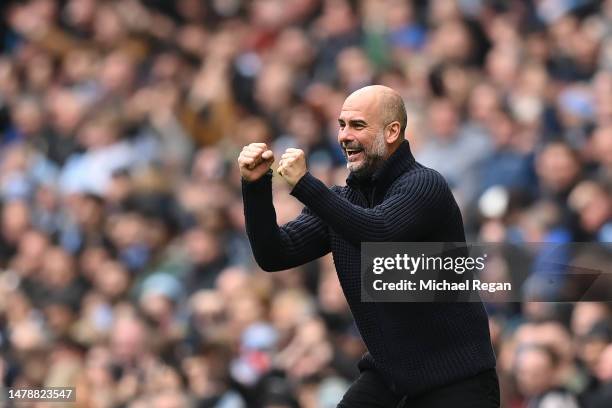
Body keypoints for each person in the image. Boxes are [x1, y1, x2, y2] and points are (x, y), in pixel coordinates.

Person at [238, 85, 499, 407]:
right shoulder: (340, 201)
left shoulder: (424, 185)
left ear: (392, 132)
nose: (344, 136)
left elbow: (379, 232)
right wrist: (256, 187)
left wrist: (306, 186)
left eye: (358, 125)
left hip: (456, 380)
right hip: (390, 376)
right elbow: (274, 254)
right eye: (341, 125)